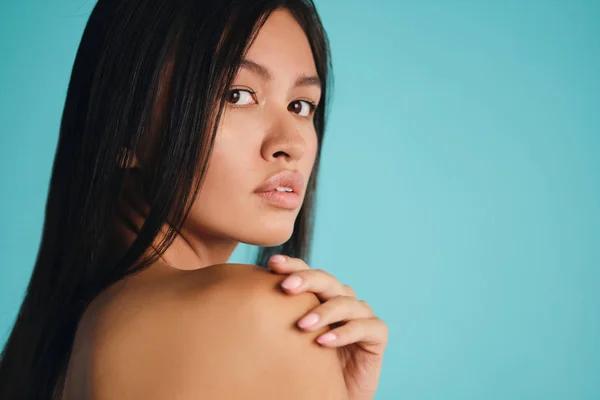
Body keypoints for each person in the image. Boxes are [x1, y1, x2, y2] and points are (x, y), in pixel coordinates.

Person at [0, 0, 388, 398]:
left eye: (300, 105)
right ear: (125, 126)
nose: (290, 144)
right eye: (237, 95)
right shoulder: (256, 312)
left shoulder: (63, 346)